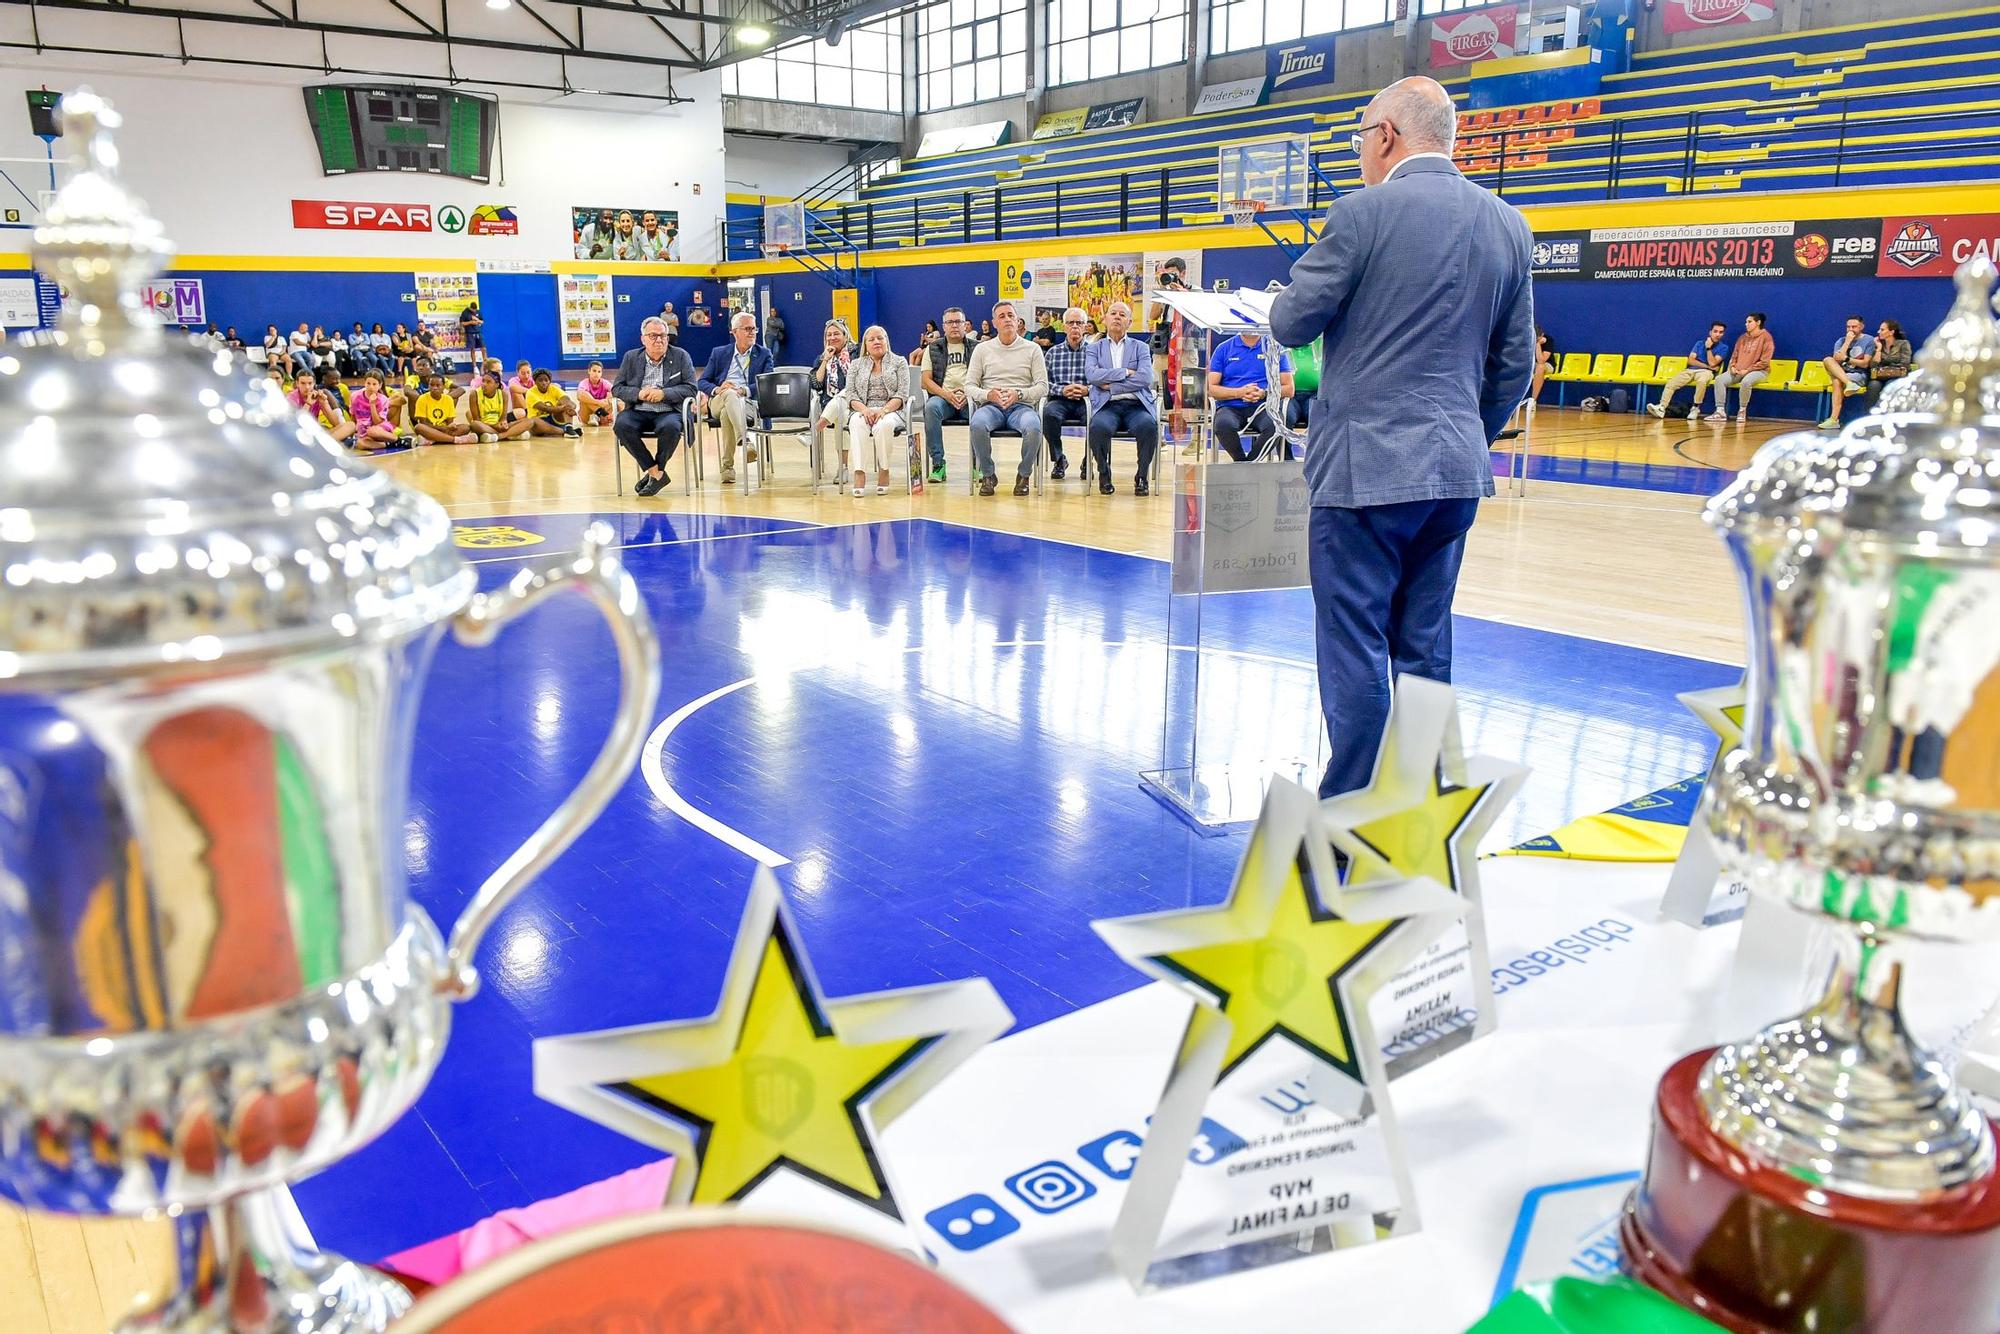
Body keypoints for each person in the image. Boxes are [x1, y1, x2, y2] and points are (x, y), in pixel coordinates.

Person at [1270, 75, 1533, 802]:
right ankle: (1421, 809)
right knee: (1426, 645)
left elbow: (1292, 323)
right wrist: (1462, 436)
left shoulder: (1361, 214)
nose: (1360, 153)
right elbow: (1516, 364)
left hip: (1364, 474)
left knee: (1353, 644)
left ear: (1385, 135)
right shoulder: (1508, 224)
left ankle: (1351, 820)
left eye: (1361, 137)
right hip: (1455, 474)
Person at [963, 300, 1049, 497]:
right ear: (994, 323)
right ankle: (988, 474)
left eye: (1011, 315)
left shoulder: (1032, 349)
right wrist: (988, 394)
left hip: (1021, 406)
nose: (1007, 319)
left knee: (1034, 427)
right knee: (977, 424)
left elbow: (1043, 387)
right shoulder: (982, 349)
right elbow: (969, 386)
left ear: (1018, 320)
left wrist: (1019, 393)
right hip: (991, 406)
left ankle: (1024, 475)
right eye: (1002, 316)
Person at [614, 316, 698, 495]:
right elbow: (617, 388)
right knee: (621, 425)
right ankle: (656, 472)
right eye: (653, 336)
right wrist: (638, 393)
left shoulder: (681, 356)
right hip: (639, 410)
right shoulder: (631, 357)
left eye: (663, 335)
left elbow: (691, 388)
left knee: (671, 427)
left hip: (670, 410)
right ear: (643, 339)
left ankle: (655, 474)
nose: (659, 340)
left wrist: (664, 394)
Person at [1085, 300, 1162, 496]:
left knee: (1149, 426)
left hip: (1136, 405)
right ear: (1105, 319)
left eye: (1122, 314)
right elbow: (1092, 376)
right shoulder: (1094, 348)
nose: (1117, 317)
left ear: (1129, 321)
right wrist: (1125, 372)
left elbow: (1146, 377)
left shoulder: (1141, 347)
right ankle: (1104, 473)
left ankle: (1142, 476)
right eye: (1113, 313)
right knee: (1097, 428)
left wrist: (1111, 385)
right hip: (1106, 405)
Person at [698, 311, 776, 486]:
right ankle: (745, 439)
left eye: (754, 329)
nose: (752, 333)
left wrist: (744, 390)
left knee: (728, 413)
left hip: (747, 403)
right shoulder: (719, 353)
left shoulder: (764, 353)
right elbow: (701, 382)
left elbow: (768, 382)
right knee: (728, 395)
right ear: (734, 332)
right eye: (747, 329)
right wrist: (718, 388)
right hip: (719, 399)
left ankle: (727, 468)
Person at [1205, 330, 1294, 461]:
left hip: (1264, 406)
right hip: (1231, 407)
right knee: (1223, 424)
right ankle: (1241, 462)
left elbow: (1289, 388)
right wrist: (1238, 393)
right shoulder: (1223, 348)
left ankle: (1249, 465)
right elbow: (1211, 389)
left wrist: (1264, 393)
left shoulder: (1274, 348)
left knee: (1276, 425)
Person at [845, 325, 906, 497]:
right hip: (863, 408)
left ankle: (884, 469)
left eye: (880, 337)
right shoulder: (856, 364)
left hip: (892, 410)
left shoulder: (899, 361)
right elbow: (850, 393)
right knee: (856, 422)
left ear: (887, 340)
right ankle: (859, 472)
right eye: (871, 339)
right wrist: (865, 410)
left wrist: (884, 410)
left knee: (884, 425)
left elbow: (902, 393)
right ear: (865, 344)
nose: (876, 342)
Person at [920, 308, 977, 482]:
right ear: (943, 326)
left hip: (971, 399)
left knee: (983, 413)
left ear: (965, 325)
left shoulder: (978, 347)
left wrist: (968, 393)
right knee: (931, 408)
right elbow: (925, 381)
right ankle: (938, 464)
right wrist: (946, 394)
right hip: (943, 399)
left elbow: (986, 377)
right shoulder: (933, 348)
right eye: (950, 322)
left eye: (958, 322)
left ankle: (979, 464)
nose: (954, 326)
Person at [1040, 306, 1093, 482]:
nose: (1075, 327)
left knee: (1097, 420)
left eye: (1079, 323)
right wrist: (1061, 390)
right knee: (1048, 414)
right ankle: (1059, 459)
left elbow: (1102, 382)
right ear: (1064, 327)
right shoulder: (1052, 353)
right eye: (1071, 323)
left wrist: (1087, 389)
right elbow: (1043, 383)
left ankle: (1088, 461)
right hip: (1059, 399)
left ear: (1086, 327)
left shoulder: (1095, 352)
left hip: (1086, 400)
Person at [1650, 322, 1730, 421]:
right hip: (1691, 370)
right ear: (1710, 332)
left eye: (1721, 332)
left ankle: (1695, 408)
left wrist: (1708, 348)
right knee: (1672, 383)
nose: (1718, 334)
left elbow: (1713, 363)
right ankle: (1662, 407)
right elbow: (1690, 360)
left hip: (1706, 372)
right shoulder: (1699, 343)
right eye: (1715, 331)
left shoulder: (1724, 347)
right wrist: (1707, 366)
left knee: (1701, 382)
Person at [1709, 312, 1773, 423]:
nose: (1746, 324)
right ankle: (1720, 412)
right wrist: (1732, 367)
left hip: (1759, 371)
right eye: (1746, 322)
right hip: (1739, 370)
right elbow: (1735, 355)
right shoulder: (1742, 338)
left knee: (1746, 382)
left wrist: (1747, 370)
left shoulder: (1767, 338)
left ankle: (1742, 410)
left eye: (1749, 322)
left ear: (1758, 323)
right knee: (1719, 380)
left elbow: (1765, 361)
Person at [810, 321, 854, 479]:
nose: (832, 337)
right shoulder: (822, 357)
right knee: (840, 411)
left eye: (836, 334)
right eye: (829, 335)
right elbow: (816, 383)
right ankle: (843, 468)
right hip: (830, 404)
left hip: (856, 402)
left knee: (843, 401)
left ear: (845, 335)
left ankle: (815, 429)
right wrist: (825, 360)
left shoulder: (856, 353)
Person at [1819, 314, 1878, 429]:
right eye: (1848, 327)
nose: (1851, 330)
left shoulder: (1869, 340)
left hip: (1859, 374)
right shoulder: (1841, 341)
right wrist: (1847, 342)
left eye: (1854, 327)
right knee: (1827, 360)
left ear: (1861, 326)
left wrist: (1847, 359)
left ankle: (1833, 419)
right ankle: (1849, 384)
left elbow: (1865, 363)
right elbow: (1836, 360)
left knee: (1836, 380)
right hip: (1844, 373)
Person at [410, 372, 474, 445]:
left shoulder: (448, 399)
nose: (434, 388)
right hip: (431, 429)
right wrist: (443, 428)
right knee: (419, 427)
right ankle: (455, 440)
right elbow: (423, 423)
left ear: (443, 387)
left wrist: (451, 426)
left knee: (466, 427)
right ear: (428, 386)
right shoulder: (422, 399)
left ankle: (434, 439)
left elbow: (449, 423)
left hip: (444, 430)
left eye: (438, 385)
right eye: (432, 385)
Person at [468, 369, 531, 441]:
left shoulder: (503, 394)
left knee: (529, 421)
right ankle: (509, 435)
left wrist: (503, 424)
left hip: (498, 425)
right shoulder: (474, 394)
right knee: (474, 424)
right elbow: (477, 420)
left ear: (497, 384)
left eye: (488, 382)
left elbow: (503, 418)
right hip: (484, 426)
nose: (484, 384)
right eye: (483, 381)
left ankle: (499, 436)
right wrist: (495, 426)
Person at [350, 372, 404, 450]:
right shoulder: (355, 396)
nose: (371, 387)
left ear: (380, 385)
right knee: (360, 444)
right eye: (368, 383)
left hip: (379, 428)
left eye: (374, 384)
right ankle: (389, 444)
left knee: (372, 431)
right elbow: (353, 416)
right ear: (364, 383)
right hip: (363, 431)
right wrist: (353, 433)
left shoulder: (383, 399)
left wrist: (372, 404)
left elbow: (377, 422)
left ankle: (400, 440)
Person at [1867, 318, 1912, 408]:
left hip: (1898, 376)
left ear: (1891, 332)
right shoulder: (1878, 345)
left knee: (1891, 384)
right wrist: (1879, 349)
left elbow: (1905, 363)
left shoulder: (1903, 344)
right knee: (1873, 385)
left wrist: (1887, 369)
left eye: (1882, 330)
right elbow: (1873, 366)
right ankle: (1872, 414)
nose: (1878, 331)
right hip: (1880, 377)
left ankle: (1889, 413)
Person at [525, 369, 582, 438]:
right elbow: (545, 408)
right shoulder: (530, 392)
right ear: (535, 382)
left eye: (546, 380)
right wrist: (562, 408)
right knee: (534, 420)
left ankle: (569, 427)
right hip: (538, 423)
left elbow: (566, 399)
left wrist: (570, 407)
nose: (544, 382)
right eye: (540, 380)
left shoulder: (553, 388)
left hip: (553, 418)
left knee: (566, 404)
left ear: (550, 381)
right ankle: (564, 431)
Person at [576, 361, 616, 427]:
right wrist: (597, 402)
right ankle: (599, 413)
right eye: (594, 371)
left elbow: (616, 392)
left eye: (599, 372)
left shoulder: (605, 383)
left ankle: (597, 415)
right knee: (584, 395)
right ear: (589, 371)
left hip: (603, 416)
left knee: (612, 395)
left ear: (601, 373)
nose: (596, 374)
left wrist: (608, 398)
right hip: (587, 417)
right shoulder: (584, 383)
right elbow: (579, 395)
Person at [1531, 327, 1554, 403]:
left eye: (1537, 339)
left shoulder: (1548, 340)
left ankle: (1533, 400)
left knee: (1540, 367)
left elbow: (1541, 360)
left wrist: (1538, 344)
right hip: (1531, 364)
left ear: (1542, 335)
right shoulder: (1526, 338)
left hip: (1547, 365)